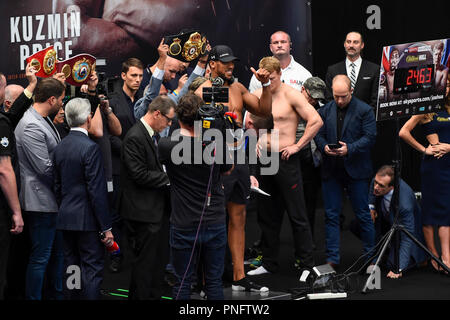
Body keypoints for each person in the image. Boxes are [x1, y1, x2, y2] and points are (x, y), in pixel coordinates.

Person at [194, 45, 272, 291]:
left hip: (239, 159)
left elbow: (264, 110)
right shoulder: (203, 90)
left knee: (239, 218)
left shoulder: (238, 89)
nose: (230, 66)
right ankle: (208, 279)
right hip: (215, 160)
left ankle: (239, 275)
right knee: (213, 220)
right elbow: (191, 126)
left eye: (232, 62)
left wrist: (266, 85)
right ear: (212, 64)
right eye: (225, 62)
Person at [247, 57, 322, 276]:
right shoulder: (261, 94)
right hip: (265, 158)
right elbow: (251, 124)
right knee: (267, 214)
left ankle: (307, 264)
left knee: (297, 213)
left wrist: (298, 145)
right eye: (264, 79)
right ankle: (269, 262)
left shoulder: (292, 94)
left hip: (286, 158)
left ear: (280, 74)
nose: (268, 82)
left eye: (271, 78)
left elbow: (316, 120)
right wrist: (257, 141)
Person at [158, 93, 234, 299]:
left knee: (182, 284)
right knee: (214, 284)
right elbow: (228, 169)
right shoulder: (214, 147)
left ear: (177, 118)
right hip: (214, 221)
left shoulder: (166, 146)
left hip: (183, 223)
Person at [53, 97, 114, 299]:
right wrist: (106, 227)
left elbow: (57, 186)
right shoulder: (90, 148)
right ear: (89, 118)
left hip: (65, 218)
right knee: (91, 270)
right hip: (87, 221)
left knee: (72, 267)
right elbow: (96, 191)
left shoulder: (59, 146)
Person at [314, 74, 376, 268]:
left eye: (343, 96)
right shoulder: (325, 110)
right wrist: (323, 146)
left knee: (363, 215)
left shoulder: (365, 110)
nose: (339, 100)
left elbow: (370, 137)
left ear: (351, 91)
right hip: (331, 170)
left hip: (356, 170)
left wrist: (350, 148)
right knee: (331, 215)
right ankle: (332, 260)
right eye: (336, 96)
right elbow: (318, 133)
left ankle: (370, 258)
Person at [118, 95, 175, 299]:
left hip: (155, 211)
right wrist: (170, 177)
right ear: (156, 113)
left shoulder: (151, 135)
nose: (169, 124)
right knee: (144, 266)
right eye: (168, 120)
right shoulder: (135, 136)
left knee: (156, 264)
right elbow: (139, 174)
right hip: (143, 214)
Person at [15, 77, 66, 300]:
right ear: (52, 99)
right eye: (62, 101)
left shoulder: (42, 119)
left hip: (51, 200)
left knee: (55, 256)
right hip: (40, 201)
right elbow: (44, 168)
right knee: (40, 258)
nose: (63, 105)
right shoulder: (30, 124)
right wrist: (69, 178)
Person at [399, 72, 450, 272]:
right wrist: (423, 149)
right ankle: (432, 254)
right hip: (433, 167)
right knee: (429, 211)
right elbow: (403, 132)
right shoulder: (425, 110)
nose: (444, 89)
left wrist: (449, 147)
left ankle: (446, 254)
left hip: (448, 165)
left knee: (446, 211)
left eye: (447, 86)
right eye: (441, 86)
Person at [108, 57, 144, 273]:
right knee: (116, 213)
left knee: (138, 212)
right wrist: (129, 153)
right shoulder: (113, 101)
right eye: (133, 75)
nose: (137, 80)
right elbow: (108, 135)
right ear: (123, 75)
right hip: (119, 164)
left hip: (141, 166)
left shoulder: (144, 98)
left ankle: (135, 253)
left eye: (140, 76)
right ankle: (116, 254)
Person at [362, 165, 426, 278]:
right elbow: (373, 185)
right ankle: (384, 249)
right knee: (358, 224)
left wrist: (399, 268)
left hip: (405, 230)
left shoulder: (404, 203)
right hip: (388, 221)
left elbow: (408, 237)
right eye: (376, 182)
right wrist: (371, 206)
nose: (376, 187)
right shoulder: (378, 180)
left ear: (391, 188)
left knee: (392, 264)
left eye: (380, 186)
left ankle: (417, 257)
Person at [298, 77, 326, 239]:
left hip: (312, 163)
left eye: (317, 98)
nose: (313, 101)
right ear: (303, 89)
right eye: (311, 96)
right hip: (291, 160)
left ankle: (308, 240)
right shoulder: (291, 105)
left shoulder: (321, 109)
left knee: (310, 204)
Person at [325, 31, 380, 109]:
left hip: (364, 118)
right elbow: (329, 100)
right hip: (340, 118)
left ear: (362, 45)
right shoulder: (333, 70)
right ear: (344, 44)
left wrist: (364, 117)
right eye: (348, 42)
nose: (351, 45)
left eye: (355, 42)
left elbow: (375, 101)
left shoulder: (374, 69)